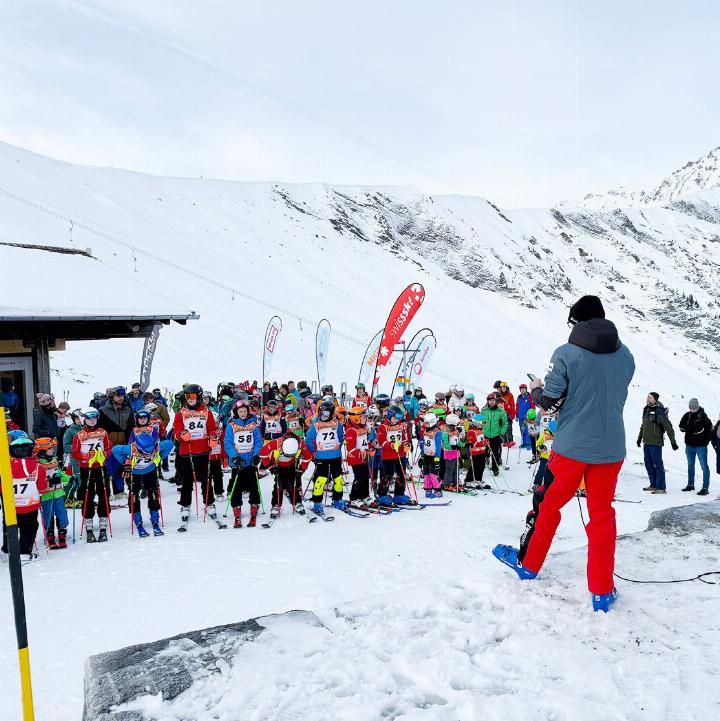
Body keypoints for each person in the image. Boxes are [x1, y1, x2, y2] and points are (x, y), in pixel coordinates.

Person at [493, 294, 635, 612]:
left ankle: (527, 564)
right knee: (602, 515)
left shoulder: (566, 354)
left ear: (577, 322)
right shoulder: (625, 354)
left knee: (547, 505)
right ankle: (601, 591)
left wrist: (535, 389)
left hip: (570, 447)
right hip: (611, 448)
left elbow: (549, 403)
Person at [172, 384, 219, 531]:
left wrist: (213, 438)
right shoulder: (181, 413)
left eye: (192, 396)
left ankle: (209, 502)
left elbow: (212, 428)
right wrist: (181, 435)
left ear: (198, 397)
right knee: (187, 480)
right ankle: (185, 505)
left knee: (205, 478)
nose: (189, 399)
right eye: (187, 396)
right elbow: (176, 430)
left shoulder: (207, 412)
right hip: (188, 450)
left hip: (203, 450)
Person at [112, 431, 173, 537]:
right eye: (145, 452)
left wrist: (160, 456)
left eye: (150, 451)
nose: (148, 454)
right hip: (135, 474)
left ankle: (154, 517)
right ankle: (137, 518)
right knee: (134, 495)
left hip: (150, 472)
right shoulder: (131, 448)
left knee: (153, 493)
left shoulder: (156, 446)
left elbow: (170, 444)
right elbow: (115, 449)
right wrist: (125, 461)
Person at [1, 436, 49, 561]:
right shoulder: (39, 467)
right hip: (30, 505)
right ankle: (23, 552)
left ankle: (7, 549)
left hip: (11, 505)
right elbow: (43, 488)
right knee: (29, 527)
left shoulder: (5, 468)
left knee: (9, 525)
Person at [71, 408, 113, 543]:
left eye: (94, 417)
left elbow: (108, 447)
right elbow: (75, 452)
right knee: (88, 495)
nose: (92, 419)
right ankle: (88, 523)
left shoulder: (102, 432)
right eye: (89, 417)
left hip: (100, 466)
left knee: (104, 492)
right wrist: (86, 456)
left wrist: (104, 454)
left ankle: (103, 522)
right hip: (86, 468)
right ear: (84, 419)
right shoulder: (79, 435)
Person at [224, 400, 263, 528]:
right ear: (236, 412)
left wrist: (257, 454)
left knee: (253, 484)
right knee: (237, 486)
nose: (242, 413)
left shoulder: (253, 425)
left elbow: (258, 441)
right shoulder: (231, 425)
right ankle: (236, 507)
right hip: (238, 462)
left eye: (244, 411)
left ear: (248, 411)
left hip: (250, 460)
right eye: (240, 411)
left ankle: (254, 504)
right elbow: (228, 443)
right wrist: (234, 457)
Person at [306, 400, 346, 514]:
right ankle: (317, 502)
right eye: (321, 412)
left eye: (326, 413)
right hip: (321, 456)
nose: (323, 416)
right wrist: (314, 452)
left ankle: (337, 499)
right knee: (321, 479)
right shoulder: (315, 425)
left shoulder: (337, 424)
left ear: (332, 413)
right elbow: (308, 439)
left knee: (338, 479)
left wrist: (337, 448)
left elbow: (340, 437)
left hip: (335, 455)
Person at [260, 433, 313, 518]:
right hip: (278, 465)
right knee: (278, 485)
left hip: (291, 465)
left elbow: (308, 457)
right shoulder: (276, 443)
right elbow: (263, 452)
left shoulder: (301, 444)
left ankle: (297, 503)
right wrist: (270, 466)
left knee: (292, 484)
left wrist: (301, 470)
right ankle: (276, 505)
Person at [637, 392, 678, 494]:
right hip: (646, 442)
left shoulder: (658, 411)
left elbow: (668, 426)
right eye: (648, 396)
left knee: (657, 464)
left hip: (656, 442)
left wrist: (673, 442)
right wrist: (639, 438)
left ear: (655, 399)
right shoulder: (646, 409)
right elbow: (644, 425)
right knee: (648, 464)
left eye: (650, 397)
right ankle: (653, 484)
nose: (648, 398)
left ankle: (661, 487)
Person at [97, 387, 135, 497]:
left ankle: (119, 491)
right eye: (118, 396)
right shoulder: (103, 410)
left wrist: (130, 442)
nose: (121, 398)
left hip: (122, 443)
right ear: (112, 396)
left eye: (122, 396)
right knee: (107, 469)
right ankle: (105, 493)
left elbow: (130, 428)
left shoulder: (127, 410)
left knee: (120, 467)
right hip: (108, 444)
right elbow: (100, 429)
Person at [34, 437, 70, 549]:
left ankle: (62, 532)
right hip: (46, 495)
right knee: (48, 514)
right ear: (42, 450)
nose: (53, 450)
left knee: (61, 512)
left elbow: (59, 473)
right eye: (50, 448)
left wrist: (69, 478)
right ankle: (49, 534)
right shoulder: (37, 464)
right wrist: (49, 481)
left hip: (58, 493)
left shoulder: (54, 460)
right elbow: (35, 479)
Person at [375, 404, 412, 505]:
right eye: (394, 418)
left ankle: (399, 494)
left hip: (400, 454)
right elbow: (381, 441)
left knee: (401, 474)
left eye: (398, 418)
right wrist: (391, 446)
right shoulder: (383, 427)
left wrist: (406, 444)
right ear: (389, 416)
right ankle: (382, 494)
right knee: (388, 475)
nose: (396, 420)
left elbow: (404, 438)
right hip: (388, 455)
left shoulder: (400, 425)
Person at [678, 398, 713, 495]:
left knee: (704, 466)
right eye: (691, 408)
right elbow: (681, 426)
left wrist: (706, 440)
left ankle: (705, 487)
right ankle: (690, 484)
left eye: (694, 408)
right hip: (689, 445)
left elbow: (708, 429)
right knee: (690, 464)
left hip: (701, 446)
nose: (693, 409)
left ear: (697, 407)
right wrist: (692, 429)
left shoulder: (703, 417)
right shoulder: (687, 415)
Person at [345, 406, 376, 509]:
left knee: (365, 476)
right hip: (355, 459)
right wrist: (359, 453)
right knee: (359, 477)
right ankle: (354, 498)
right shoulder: (351, 430)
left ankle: (365, 495)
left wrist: (370, 447)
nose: (366, 419)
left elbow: (365, 442)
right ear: (356, 418)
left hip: (364, 457)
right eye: (363, 417)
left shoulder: (362, 428)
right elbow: (350, 448)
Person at [480, 393, 507, 476]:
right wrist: (481, 428)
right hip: (486, 434)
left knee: (495, 452)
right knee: (485, 451)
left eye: (493, 400)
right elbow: (481, 422)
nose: (492, 402)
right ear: (488, 401)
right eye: (490, 400)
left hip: (496, 435)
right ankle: (484, 462)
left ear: (495, 401)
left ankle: (495, 469)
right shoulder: (484, 410)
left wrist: (501, 433)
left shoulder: (501, 411)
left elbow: (505, 423)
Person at [63, 409, 85, 508]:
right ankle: (68, 498)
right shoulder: (70, 431)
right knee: (75, 479)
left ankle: (83, 499)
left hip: (86, 459)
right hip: (74, 460)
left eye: (81, 418)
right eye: (77, 418)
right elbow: (66, 446)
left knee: (84, 480)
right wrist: (78, 447)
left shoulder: (86, 429)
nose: (80, 420)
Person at [420, 412, 443, 497]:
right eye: (425, 422)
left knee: (433, 473)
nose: (425, 424)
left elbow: (438, 446)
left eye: (427, 423)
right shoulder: (425, 430)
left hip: (433, 456)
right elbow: (423, 443)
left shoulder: (437, 432)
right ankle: (428, 489)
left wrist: (437, 460)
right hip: (426, 455)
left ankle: (438, 490)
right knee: (426, 473)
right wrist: (422, 456)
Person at [466, 414, 490, 488]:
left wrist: (486, 441)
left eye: (483, 423)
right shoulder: (471, 431)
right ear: (476, 423)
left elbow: (482, 439)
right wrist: (483, 443)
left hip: (482, 452)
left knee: (481, 466)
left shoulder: (481, 431)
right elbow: (474, 443)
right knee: (474, 466)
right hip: (474, 453)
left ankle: (478, 479)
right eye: (481, 423)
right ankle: (468, 481)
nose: (482, 425)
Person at [516, 384, 535, 449]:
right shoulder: (519, 397)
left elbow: (533, 406)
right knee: (522, 430)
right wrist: (516, 415)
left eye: (524, 388)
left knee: (527, 430)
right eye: (521, 389)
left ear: (526, 389)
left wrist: (532, 416)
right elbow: (517, 407)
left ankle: (529, 443)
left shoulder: (529, 396)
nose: (522, 390)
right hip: (521, 416)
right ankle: (524, 443)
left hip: (527, 417)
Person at [498, 382, 516, 447]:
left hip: (508, 413)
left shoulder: (510, 395)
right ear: (500, 388)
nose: (503, 388)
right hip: (501, 414)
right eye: (502, 387)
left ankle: (510, 441)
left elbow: (512, 405)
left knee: (509, 427)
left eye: (505, 387)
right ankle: (505, 441)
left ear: (506, 388)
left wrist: (504, 406)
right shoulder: (498, 395)